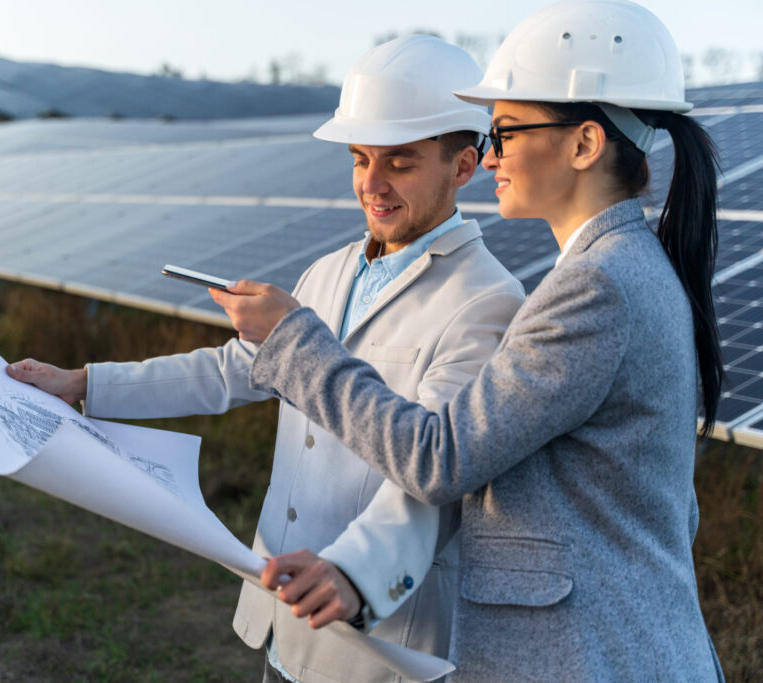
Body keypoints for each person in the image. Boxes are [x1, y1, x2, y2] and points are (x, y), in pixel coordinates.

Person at [210, 0, 726, 680]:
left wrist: (295, 343)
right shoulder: (632, 267)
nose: (489, 159)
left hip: (585, 655)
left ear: (584, 144)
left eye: (505, 133)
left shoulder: (595, 287)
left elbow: (441, 457)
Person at [7, 35, 524, 683]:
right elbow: (230, 369)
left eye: (400, 161)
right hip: (282, 612)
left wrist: (357, 572)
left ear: (464, 166)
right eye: (360, 158)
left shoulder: (489, 299)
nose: (372, 182)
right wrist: (83, 382)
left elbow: (441, 469)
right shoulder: (328, 271)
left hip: (376, 632)